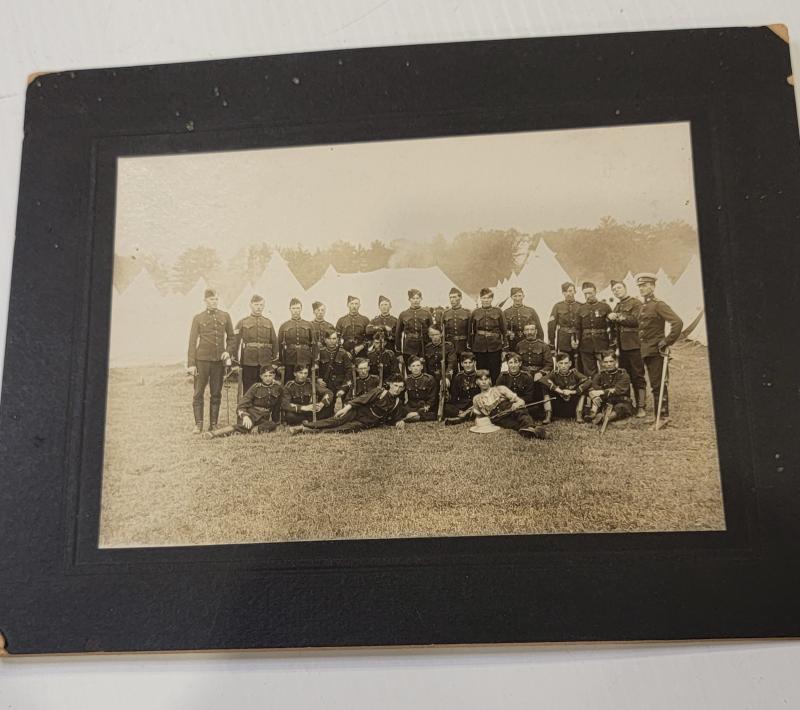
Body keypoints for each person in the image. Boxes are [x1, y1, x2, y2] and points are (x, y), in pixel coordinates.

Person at [290, 375, 417, 435]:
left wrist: (399, 422)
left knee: (342, 430)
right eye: (395, 386)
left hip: (366, 422)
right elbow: (362, 399)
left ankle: (307, 431)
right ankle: (303, 426)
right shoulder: (379, 392)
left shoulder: (397, 402)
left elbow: (394, 417)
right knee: (335, 421)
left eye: (401, 387)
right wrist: (346, 408)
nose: (397, 389)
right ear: (390, 384)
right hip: (356, 412)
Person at [636, 272, 683, 425]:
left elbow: (677, 322)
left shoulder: (659, 305)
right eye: (640, 286)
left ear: (652, 286)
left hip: (657, 350)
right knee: (655, 383)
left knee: (659, 383)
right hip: (647, 350)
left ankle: (662, 417)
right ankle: (658, 415)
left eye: (644, 286)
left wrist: (666, 342)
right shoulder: (644, 306)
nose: (641, 288)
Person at [447, 370, 549, 439]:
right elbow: (479, 416)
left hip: (509, 407)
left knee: (521, 413)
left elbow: (520, 401)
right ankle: (534, 431)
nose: (484, 382)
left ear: (490, 380)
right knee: (514, 425)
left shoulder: (500, 389)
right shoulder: (476, 399)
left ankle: (530, 426)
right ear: (477, 382)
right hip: (497, 418)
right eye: (480, 380)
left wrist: (517, 404)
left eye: (486, 379)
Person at [187, 288, 235, 434]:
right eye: (211, 299)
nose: (214, 302)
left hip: (217, 362)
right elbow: (192, 342)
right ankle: (198, 424)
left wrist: (228, 351)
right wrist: (191, 364)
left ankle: (213, 424)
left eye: (216, 299)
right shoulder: (198, 318)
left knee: (216, 393)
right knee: (198, 392)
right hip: (201, 360)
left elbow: (232, 338)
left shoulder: (225, 316)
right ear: (205, 301)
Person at [202, 364, 283, 439]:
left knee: (272, 424)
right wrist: (245, 416)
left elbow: (277, 407)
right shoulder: (255, 387)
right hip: (251, 415)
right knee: (242, 426)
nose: (268, 378)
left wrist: (277, 422)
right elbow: (241, 405)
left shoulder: (278, 388)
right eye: (265, 376)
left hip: (263, 418)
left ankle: (251, 430)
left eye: (270, 375)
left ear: (274, 376)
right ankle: (213, 434)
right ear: (261, 376)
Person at [606, 280, 647, 417]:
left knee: (638, 376)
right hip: (621, 348)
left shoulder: (636, 303)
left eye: (619, 288)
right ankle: (627, 405)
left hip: (634, 345)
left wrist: (616, 317)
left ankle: (641, 407)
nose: (616, 291)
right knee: (624, 376)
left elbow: (636, 321)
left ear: (625, 288)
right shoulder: (617, 305)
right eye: (614, 289)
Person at [231, 294, 278, 394]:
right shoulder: (242, 322)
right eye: (256, 305)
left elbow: (274, 342)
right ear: (251, 305)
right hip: (249, 362)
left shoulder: (268, 322)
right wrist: (234, 362)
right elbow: (235, 343)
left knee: (265, 389)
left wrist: (274, 362)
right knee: (249, 390)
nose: (259, 307)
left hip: (265, 362)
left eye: (261, 305)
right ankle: (247, 409)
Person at [468, 287, 507, 384]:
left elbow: (504, 330)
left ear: (492, 299)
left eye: (488, 298)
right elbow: (470, 331)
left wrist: (505, 349)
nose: (486, 300)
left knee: (495, 372)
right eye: (484, 298)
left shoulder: (498, 311)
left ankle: (495, 393)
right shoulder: (475, 312)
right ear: (480, 299)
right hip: (479, 347)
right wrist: (471, 348)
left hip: (495, 347)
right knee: (481, 372)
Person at [586, 350, 635, 426]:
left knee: (621, 408)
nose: (608, 364)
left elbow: (618, 390)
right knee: (596, 402)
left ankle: (604, 418)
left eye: (611, 361)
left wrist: (601, 392)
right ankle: (594, 414)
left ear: (616, 361)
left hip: (621, 401)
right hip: (605, 401)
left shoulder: (623, 374)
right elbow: (594, 386)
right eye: (606, 362)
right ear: (602, 363)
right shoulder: (600, 375)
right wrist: (595, 395)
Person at [540, 352, 591, 422]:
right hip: (559, 407)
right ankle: (548, 414)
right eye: (561, 363)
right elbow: (543, 379)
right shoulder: (554, 374)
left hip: (572, 406)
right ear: (557, 364)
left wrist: (573, 391)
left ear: (570, 363)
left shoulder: (574, 373)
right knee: (545, 386)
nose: (563, 366)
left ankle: (579, 414)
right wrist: (559, 391)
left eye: (566, 363)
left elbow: (588, 381)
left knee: (584, 388)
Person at [576, 281, 612, 377]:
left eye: (590, 293)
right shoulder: (580, 309)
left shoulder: (605, 307)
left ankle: (607, 391)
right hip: (586, 345)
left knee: (606, 369)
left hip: (602, 344)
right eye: (585, 294)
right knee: (590, 373)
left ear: (595, 292)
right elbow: (578, 328)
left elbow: (612, 327)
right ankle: (594, 390)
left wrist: (612, 343)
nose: (588, 296)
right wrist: (576, 342)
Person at [315, 330, 353, 417]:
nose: (332, 341)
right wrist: (318, 379)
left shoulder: (343, 353)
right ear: (325, 340)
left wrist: (343, 389)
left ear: (337, 340)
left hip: (340, 387)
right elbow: (315, 370)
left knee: (342, 414)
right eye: (329, 339)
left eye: (334, 338)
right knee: (324, 415)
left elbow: (349, 372)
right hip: (326, 387)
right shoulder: (320, 353)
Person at [278, 298, 315, 383]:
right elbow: (280, 345)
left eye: (298, 308)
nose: (296, 311)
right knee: (289, 381)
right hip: (290, 358)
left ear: (301, 309)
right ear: (290, 309)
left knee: (305, 381)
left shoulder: (309, 325)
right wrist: (281, 362)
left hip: (305, 357)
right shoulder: (284, 325)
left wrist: (314, 362)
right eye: (293, 308)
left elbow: (314, 344)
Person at [395, 288, 433, 369]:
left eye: (417, 298)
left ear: (421, 299)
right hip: (408, 348)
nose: (415, 300)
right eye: (413, 298)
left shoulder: (427, 313)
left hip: (423, 347)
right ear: (409, 299)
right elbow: (398, 335)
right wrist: (399, 353)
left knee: (425, 371)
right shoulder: (403, 314)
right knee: (410, 371)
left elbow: (432, 332)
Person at [496, 352, 542, 417]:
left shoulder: (527, 377)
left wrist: (519, 402)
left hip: (523, 403)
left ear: (520, 364)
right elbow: (498, 395)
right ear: (507, 364)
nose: (513, 365)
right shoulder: (502, 377)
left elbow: (529, 396)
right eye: (511, 363)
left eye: (516, 362)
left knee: (535, 408)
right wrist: (510, 404)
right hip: (507, 404)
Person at [547, 282, 581, 368]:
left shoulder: (580, 306)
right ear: (563, 293)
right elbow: (551, 326)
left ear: (575, 291)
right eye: (565, 292)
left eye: (571, 291)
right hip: (563, 341)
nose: (568, 294)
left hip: (578, 340)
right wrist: (551, 345)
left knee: (578, 364)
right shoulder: (557, 306)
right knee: (563, 363)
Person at [503, 286, 544, 352]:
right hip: (513, 343)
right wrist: (508, 333)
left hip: (529, 341)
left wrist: (540, 344)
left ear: (523, 296)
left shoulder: (531, 311)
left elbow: (539, 329)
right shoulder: (506, 312)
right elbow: (503, 330)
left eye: (519, 296)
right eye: (515, 296)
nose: (517, 298)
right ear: (511, 297)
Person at [444, 351, 482, 418]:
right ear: (462, 364)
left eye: (470, 362)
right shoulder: (458, 377)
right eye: (465, 363)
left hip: (475, 404)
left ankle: (465, 415)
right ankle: (464, 414)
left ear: (474, 363)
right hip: (462, 405)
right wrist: (457, 409)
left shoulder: (480, 376)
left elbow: (484, 395)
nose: (468, 365)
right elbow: (454, 396)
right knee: (446, 407)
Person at [441, 287, 471, 362]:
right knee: (452, 369)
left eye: (454, 297)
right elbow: (442, 332)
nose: (452, 299)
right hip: (450, 346)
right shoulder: (445, 314)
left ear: (460, 298)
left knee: (465, 368)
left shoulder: (467, 313)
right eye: (450, 297)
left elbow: (470, 331)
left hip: (464, 346)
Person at [404, 355, 438, 421]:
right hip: (411, 406)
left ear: (422, 367)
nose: (415, 368)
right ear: (409, 368)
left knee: (433, 414)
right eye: (413, 366)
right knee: (402, 412)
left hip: (425, 406)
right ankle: (415, 416)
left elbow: (432, 398)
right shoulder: (407, 380)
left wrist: (425, 407)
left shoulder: (429, 379)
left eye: (418, 365)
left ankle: (417, 416)